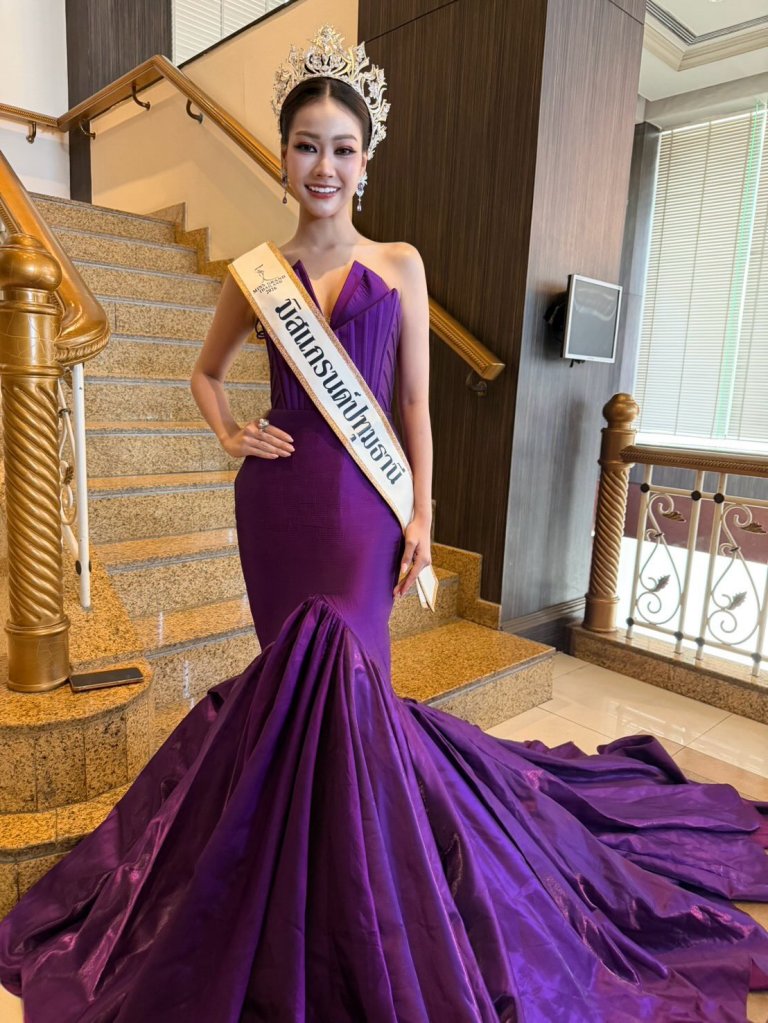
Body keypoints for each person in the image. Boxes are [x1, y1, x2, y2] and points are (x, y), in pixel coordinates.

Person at [1, 24, 767, 1023]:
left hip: (365, 509)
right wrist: (234, 429)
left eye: (342, 147)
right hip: (276, 505)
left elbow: (413, 408)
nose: (325, 164)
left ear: (368, 159)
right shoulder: (252, 273)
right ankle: (303, 869)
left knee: (353, 684)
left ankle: (367, 883)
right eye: (308, 144)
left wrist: (424, 515)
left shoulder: (398, 263)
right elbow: (200, 372)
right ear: (283, 157)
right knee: (296, 686)